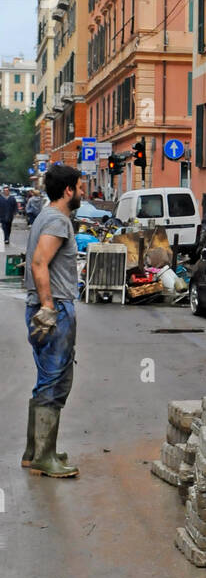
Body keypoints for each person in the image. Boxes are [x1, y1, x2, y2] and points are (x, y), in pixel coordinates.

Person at [22, 163, 84, 478]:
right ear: (68, 190)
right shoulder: (57, 220)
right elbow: (39, 262)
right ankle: (44, 457)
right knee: (55, 381)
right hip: (55, 308)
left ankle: (35, 451)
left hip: (47, 307)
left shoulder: (47, 217)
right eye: (80, 186)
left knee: (47, 378)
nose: (83, 192)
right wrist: (48, 305)